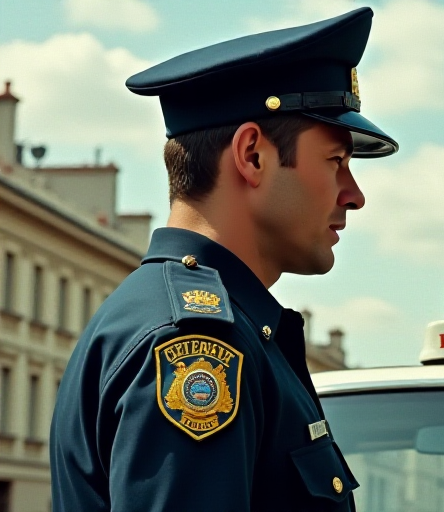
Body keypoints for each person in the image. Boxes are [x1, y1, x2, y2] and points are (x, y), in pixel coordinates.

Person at [49, 7, 397, 511]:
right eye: (335, 161)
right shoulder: (195, 342)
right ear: (252, 154)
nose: (354, 194)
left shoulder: (189, 319)